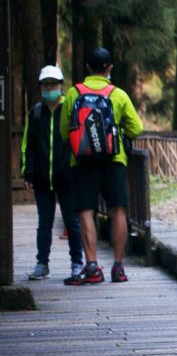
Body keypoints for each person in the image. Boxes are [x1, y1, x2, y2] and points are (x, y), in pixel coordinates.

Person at [60, 47, 144, 285]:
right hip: (114, 160)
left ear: (88, 67)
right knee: (118, 210)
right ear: (109, 68)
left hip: (83, 162)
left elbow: (65, 132)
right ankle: (118, 267)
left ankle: (92, 266)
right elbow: (136, 128)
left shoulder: (73, 94)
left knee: (86, 211)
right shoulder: (118, 94)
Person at [21, 65, 83, 281]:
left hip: (66, 176)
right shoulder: (36, 112)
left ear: (61, 85)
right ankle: (42, 264)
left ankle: (77, 263)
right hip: (41, 177)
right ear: (41, 86)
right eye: (46, 84)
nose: (50, 88)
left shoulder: (71, 108)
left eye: (53, 84)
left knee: (72, 222)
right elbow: (29, 143)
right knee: (44, 223)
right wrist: (28, 172)